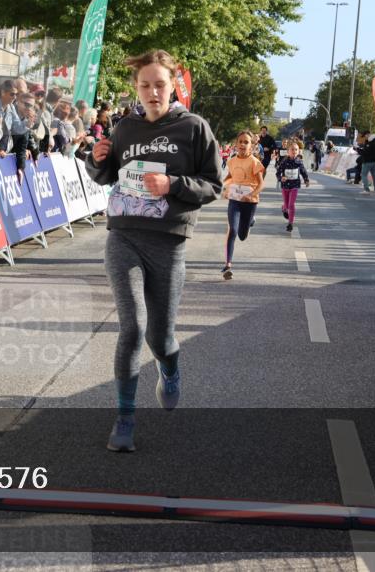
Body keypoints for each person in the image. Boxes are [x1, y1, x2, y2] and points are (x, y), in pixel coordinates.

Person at [85, 49, 222, 452]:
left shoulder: (194, 128)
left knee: (160, 337)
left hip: (168, 242)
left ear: (173, 84)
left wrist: (174, 185)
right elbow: (105, 175)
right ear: (136, 88)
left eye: (159, 84)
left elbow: (213, 184)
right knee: (131, 328)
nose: (152, 92)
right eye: (144, 85)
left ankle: (170, 367)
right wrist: (96, 161)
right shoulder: (125, 128)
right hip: (124, 236)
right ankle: (125, 418)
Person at [220, 131, 264, 279]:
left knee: (242, 235)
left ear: (251, 146)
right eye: (241, 142)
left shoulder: (254, 162)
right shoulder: (232, 161)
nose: (243, 144)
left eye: (246, 142)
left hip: (249, 202)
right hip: (234, 201)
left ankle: (251, 221)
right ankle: (228, 265)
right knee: (232, 230)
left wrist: (250, 195)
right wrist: (224, 188)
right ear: (236, 144)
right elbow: (229, 178)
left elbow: (261, 184)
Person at [276, 139, 310, 232]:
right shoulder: (284, 162)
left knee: (291, 204)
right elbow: (278, 173)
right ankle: (284, 208)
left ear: (299, 151)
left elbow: (303, 172)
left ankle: (290, 223)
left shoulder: (299, 162)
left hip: (295, 185)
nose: (294, 151)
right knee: (287, 205)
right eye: (292, 149)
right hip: (285, 186)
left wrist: (306, 180)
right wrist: (281, 178)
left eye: (296, 149)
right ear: (288, 151)